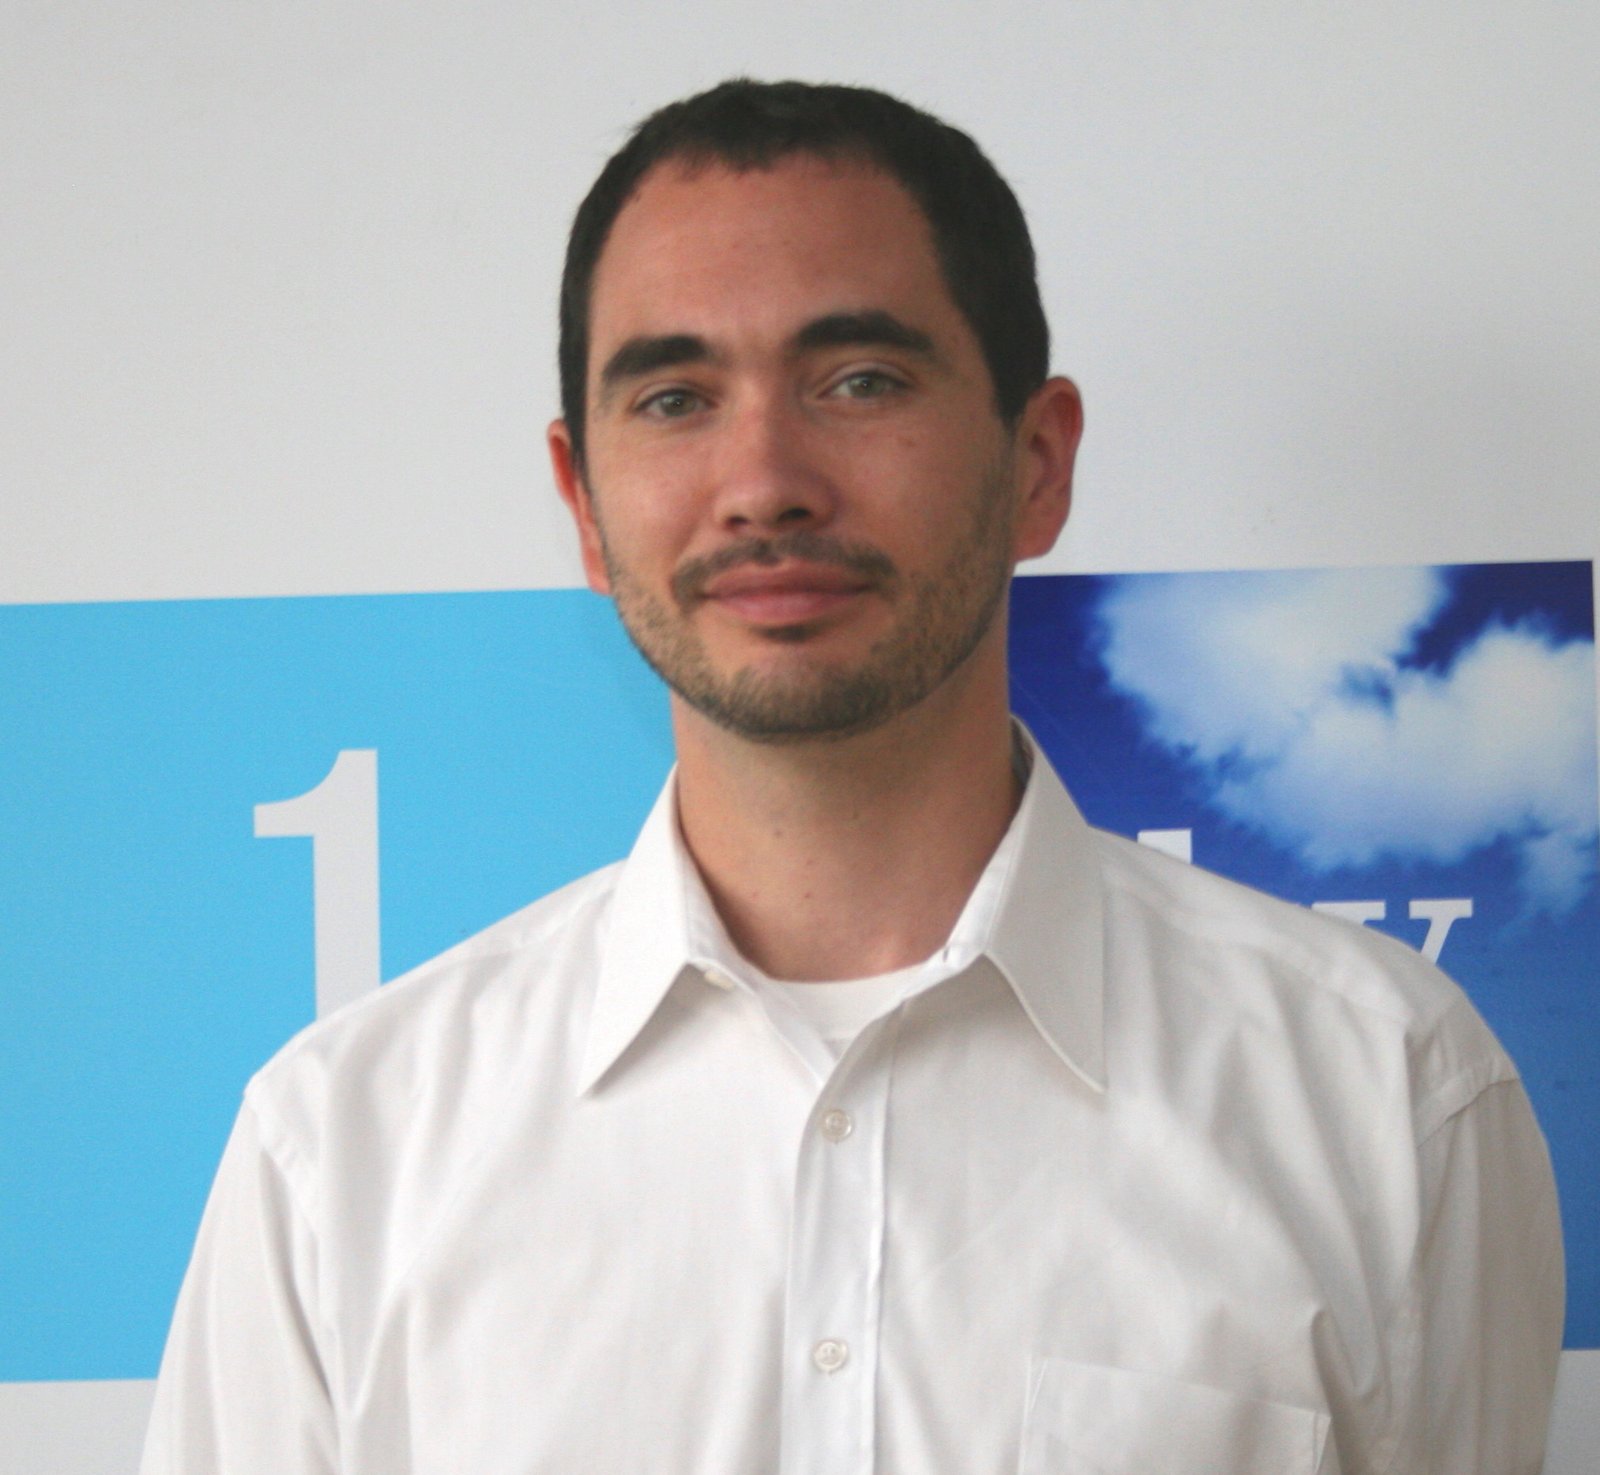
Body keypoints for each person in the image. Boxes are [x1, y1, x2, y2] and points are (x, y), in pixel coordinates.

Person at [141, 80, 1564, 1474]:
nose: (763, 481)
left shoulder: (1384, 1096)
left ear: (1037, 464)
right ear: (583, 502)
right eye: (676, 398)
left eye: (861, 382)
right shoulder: (342, 1153)